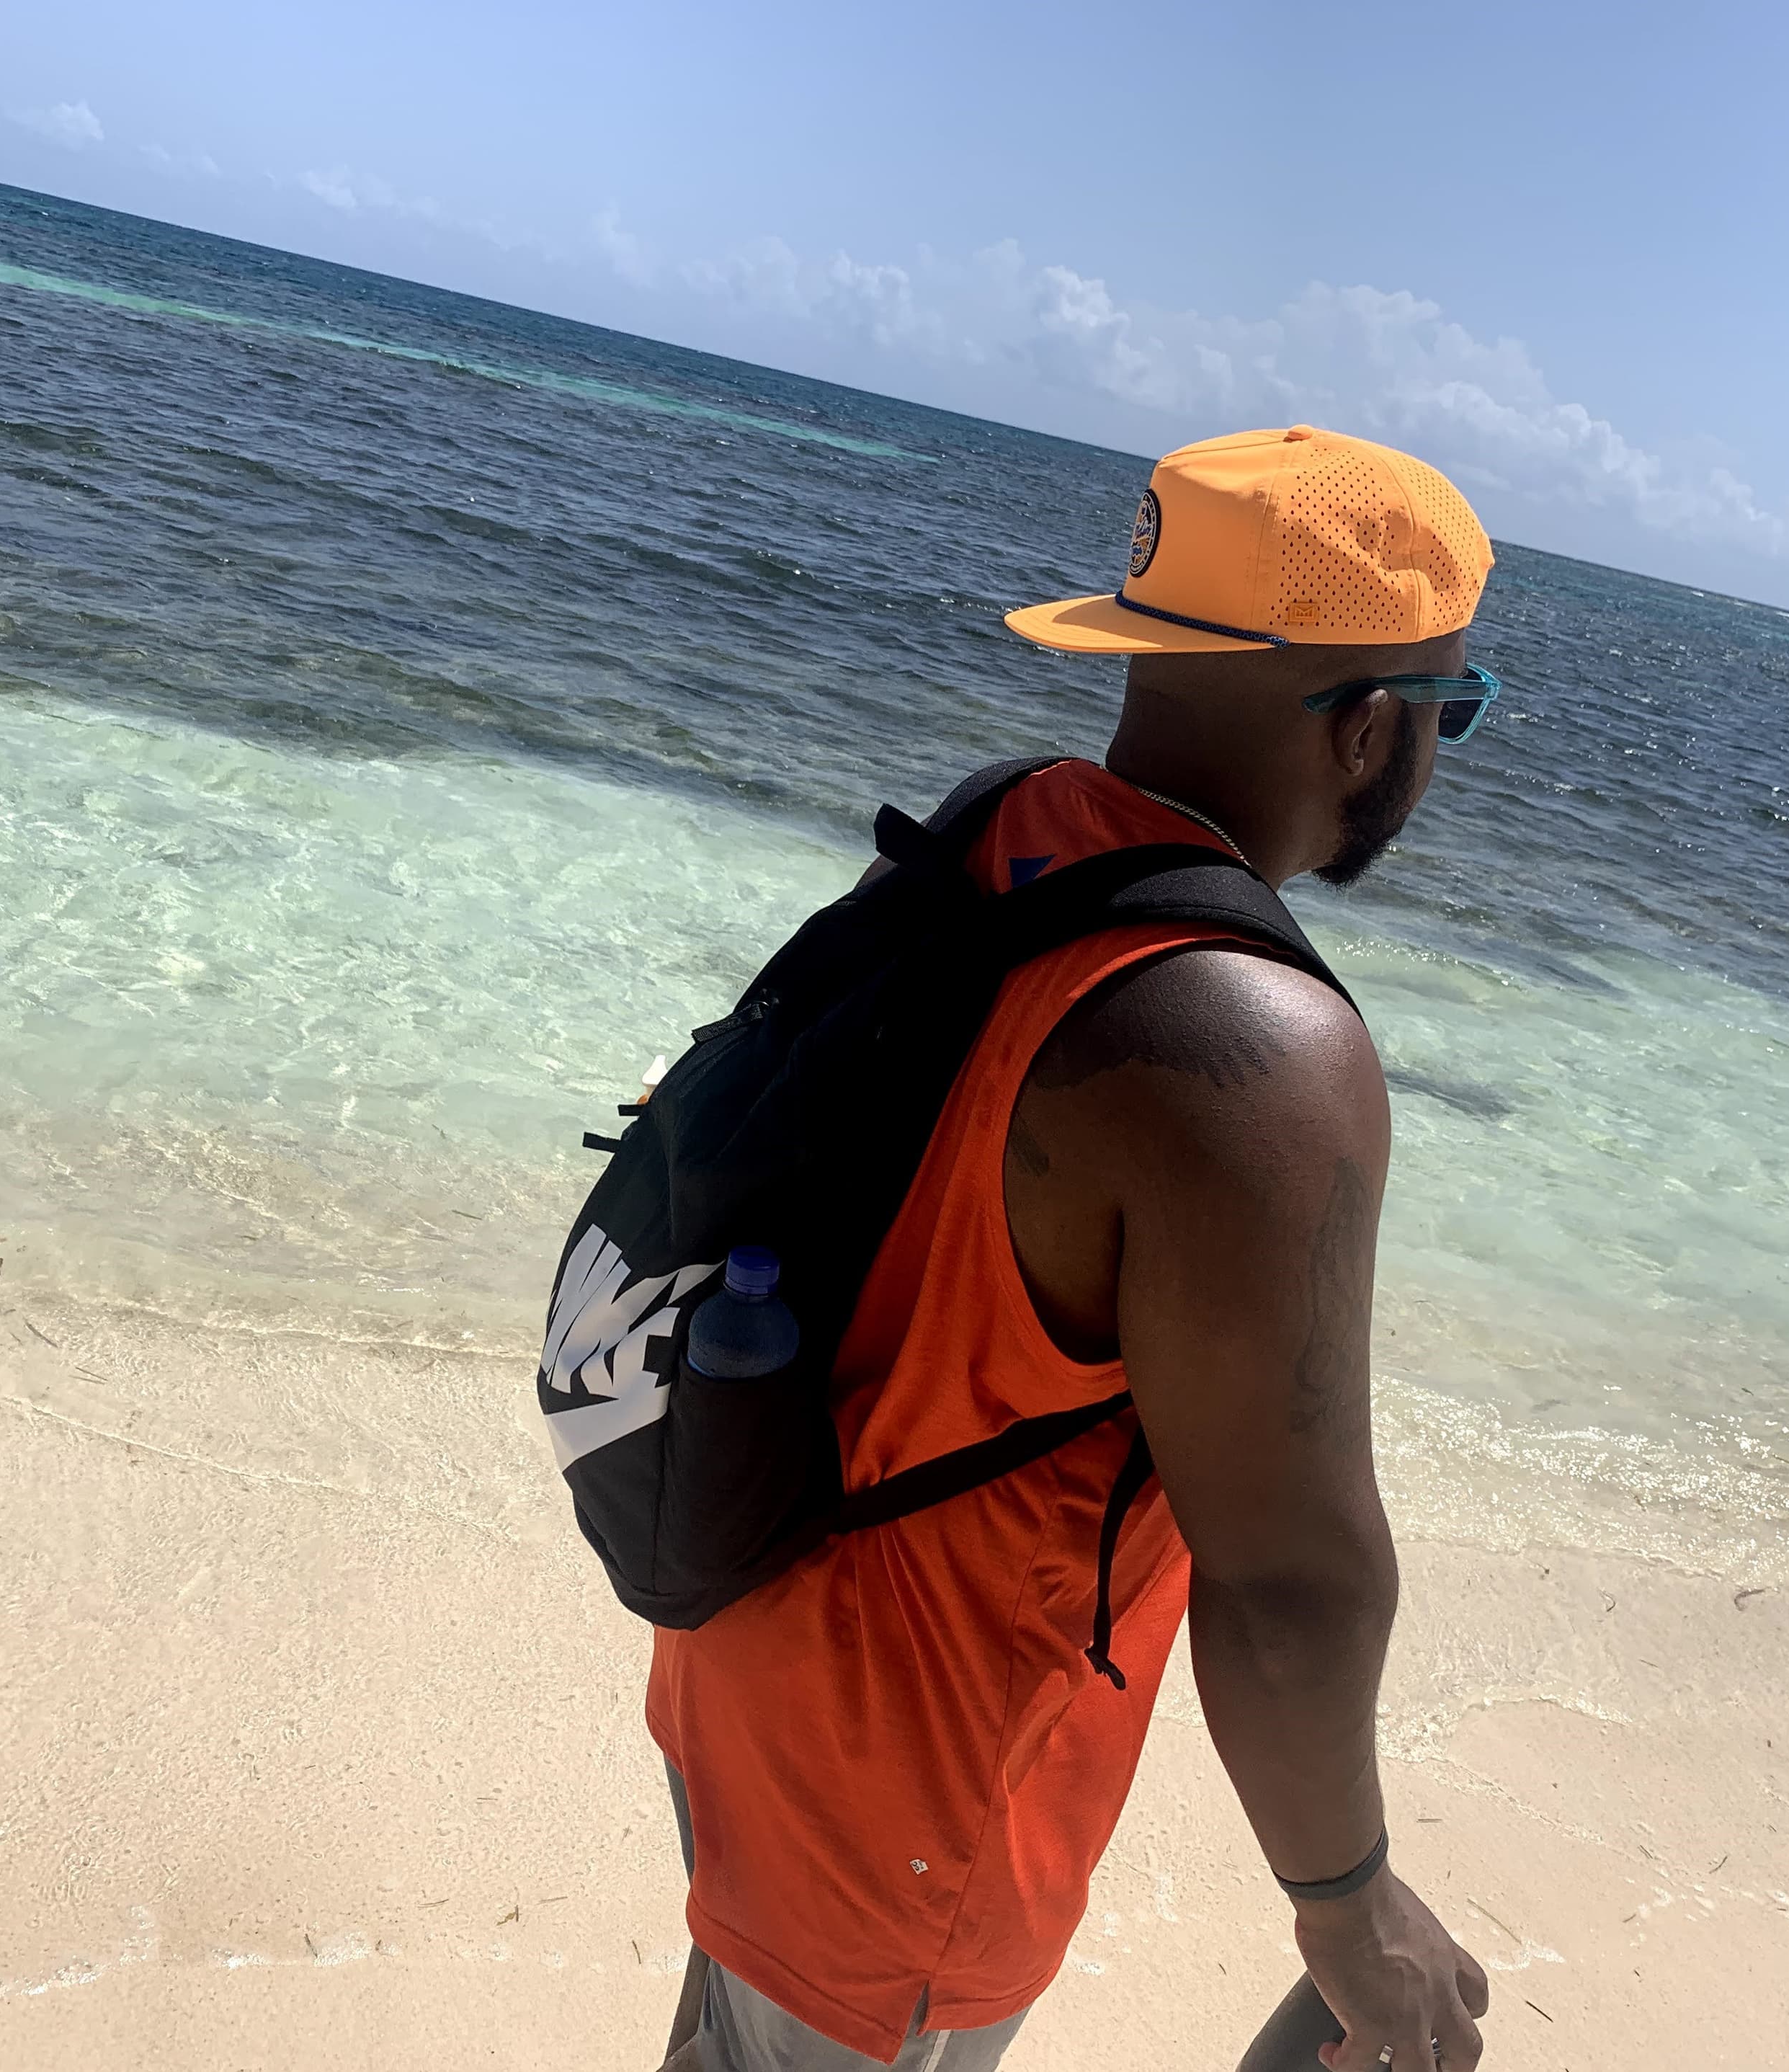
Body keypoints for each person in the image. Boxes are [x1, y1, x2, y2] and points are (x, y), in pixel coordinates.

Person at [650, 425, 1498, 2072]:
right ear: (1375, 719)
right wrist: (1351, 1899)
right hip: (907, 1815)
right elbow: (1294, 1583)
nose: (1439, 748)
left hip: (745, 1632)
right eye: (1454, 707)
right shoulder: (1253, 1046)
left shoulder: (1014, 828)